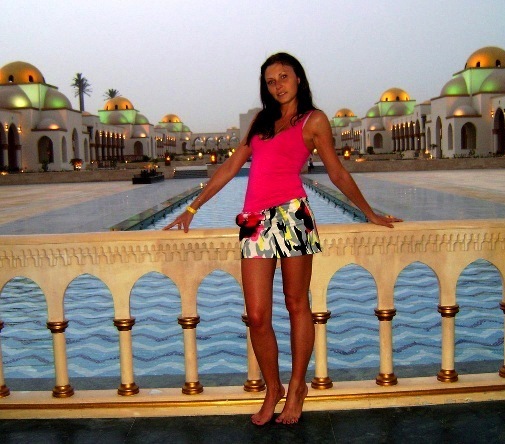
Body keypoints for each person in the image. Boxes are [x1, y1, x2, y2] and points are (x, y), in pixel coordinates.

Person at [164, 52, 402, 425]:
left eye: (284, 77)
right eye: (271, 81)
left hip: (293, 216)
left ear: (298, 78)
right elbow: (230, 166)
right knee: (257, 315)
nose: (278, 85)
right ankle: (272, 388)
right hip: (255, 222)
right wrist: (192, 208)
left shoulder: (314, 120)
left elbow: (337, 172)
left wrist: (368, 212)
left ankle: (296, 386)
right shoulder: (261, 122)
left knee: (296, 304)